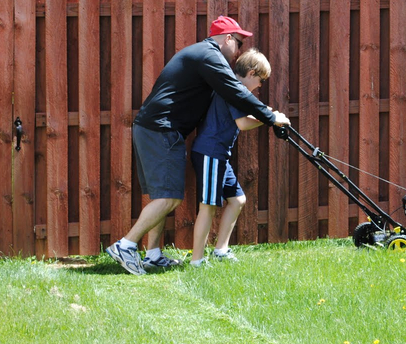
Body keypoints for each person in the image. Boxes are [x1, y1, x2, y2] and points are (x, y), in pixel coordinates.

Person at [106, 16, 291, 275]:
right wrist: (270, 117)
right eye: (238, 43)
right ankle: (125, 246)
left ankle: (152, 254)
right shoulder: (209, 55)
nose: (238, 52)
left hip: (158, 128)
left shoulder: (201, 54)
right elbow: (236, 92)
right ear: (227, 38)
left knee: (163, 194)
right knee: (169, 197)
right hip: (161, 129)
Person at [189, 48, 270, 267]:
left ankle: (221, 250)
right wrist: (270, 119)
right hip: (210, 152)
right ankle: (197, 261)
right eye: (261, 80)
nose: (260, 86)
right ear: (251, 73)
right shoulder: (234, 90)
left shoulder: (232, 89)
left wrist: (264, 115)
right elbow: (243, 124)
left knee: (237, 200)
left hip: (219, 155)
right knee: (208, 206)